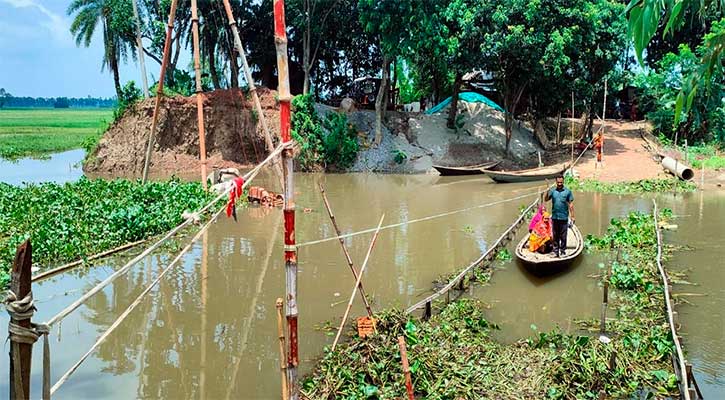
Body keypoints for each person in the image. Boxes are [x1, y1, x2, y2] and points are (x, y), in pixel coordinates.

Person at [545, 176, 575, 257]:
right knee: (555, 236)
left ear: (563, 182)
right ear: (556, 182)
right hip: (555, 217)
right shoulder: (553, 191)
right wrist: (547, 190)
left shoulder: (568, 192)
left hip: (564, 217)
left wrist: (572, 216)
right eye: (558, 182)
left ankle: (562, 251)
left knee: (563, 236)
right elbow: (546, 199)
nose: (559, 184)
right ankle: (555, 252)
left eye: (561, 182)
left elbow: (571, 205)